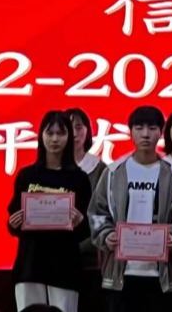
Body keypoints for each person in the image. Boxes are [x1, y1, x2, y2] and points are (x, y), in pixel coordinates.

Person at [89, 105, 172, 312]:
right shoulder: (114, 172)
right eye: (139, 128)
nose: (146, 134)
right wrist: (106, 235)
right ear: (130, 132)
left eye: (152, 128)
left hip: (162, 274)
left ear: (161, 132)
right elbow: (97, 212)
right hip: (121, 273)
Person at [6, 111, 92, 312]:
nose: (54, 139)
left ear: (69, 137)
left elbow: (87, 229)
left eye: (60, 133)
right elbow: (14, 221)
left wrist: (81, 222)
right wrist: (13, 223)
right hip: (30, 264)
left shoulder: (79, 178)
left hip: (64, 265)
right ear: (41, 136)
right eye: (49, 133)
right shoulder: (27, 175)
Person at [66, 107, 106, 269]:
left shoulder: (100, 168)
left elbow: (105, 213)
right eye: (68, 128)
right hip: (54, 250)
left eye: (79, 127)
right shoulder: (50, 168)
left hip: (89, 251)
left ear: (87, 131)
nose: (74, 134)